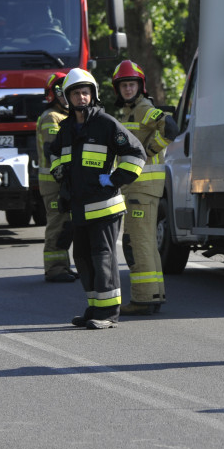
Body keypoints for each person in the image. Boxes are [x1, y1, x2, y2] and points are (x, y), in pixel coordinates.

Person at [48, 68, 146, 330]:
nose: (82, 97)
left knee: (103, 258)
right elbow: (54, 153)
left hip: (105, 206)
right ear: (68, 97)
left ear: (93, 95)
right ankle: (94, 307)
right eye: (77, 93)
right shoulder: (67, 128)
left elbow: (136, 154)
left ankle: (109, 313)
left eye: (86, 92)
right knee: (82, 258)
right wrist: (59, 171)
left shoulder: (106, 124)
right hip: (79, 207)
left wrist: (114, 180)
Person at [110, 59, 179, 316]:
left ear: (141, 87)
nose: (128, 89)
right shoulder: (131, 111)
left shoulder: (142, 109)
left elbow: (170, 127)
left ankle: (143, 298)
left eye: (132, 84)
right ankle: (153, 294)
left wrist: (148, 151)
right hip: (141, 188)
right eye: (124, 85)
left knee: (136, 242)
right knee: (146, 242)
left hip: (142, 187)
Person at [36, 71, 77, 282]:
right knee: (57, 225)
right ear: (53, 94)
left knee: (65, 224)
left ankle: (63, 266)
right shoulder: (52, 117)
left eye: (66, 91)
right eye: (59, 91)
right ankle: (54, 269)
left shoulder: (65, 116)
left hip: (61, 181)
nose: (63, 96)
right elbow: (53, 151)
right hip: (53, 182)